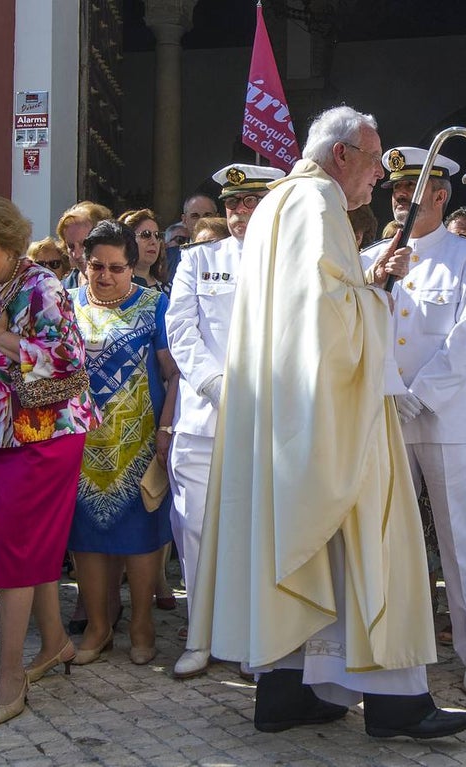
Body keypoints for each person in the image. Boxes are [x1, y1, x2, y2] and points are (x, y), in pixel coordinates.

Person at [190, 105, 466, 738]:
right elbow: (325, 319)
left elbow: (303, 306)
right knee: (372, 539)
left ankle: (289, 691)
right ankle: (397, 703)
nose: (378, 176)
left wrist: (365, 280)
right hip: (332, 411)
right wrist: (376, 298)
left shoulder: (276, 204)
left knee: (308, 547)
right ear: (342, 154)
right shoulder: (317, 202)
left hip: (287, 411)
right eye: (373, 162)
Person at [0, 194, 98, 725]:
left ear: (11, 247)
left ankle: (10, 672)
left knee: (14, 550)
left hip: (43, 435)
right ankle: (54, 642)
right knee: (24, 544)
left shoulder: (42, 286)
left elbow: (70, 358)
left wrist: (4, 339)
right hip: (1, 432)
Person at [362, 146, 466, 696]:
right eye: (396, 191)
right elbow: (358, 331)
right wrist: (376, 282)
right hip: (384, 413)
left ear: (439, 195)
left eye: (412, 191)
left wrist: (420, 393)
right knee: (387, 533)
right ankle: (393, 643)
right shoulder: (373, 257)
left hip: (445, 417)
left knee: (459, 535)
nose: (402, 199)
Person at [167, 162, 284, 679]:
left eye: (251, 201)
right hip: (204, 416)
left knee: (259, 532)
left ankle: (256, 637)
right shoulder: (198, 260)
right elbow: (181, 329)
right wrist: (214, 384)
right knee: (193, 529)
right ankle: (202, 633)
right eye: (233, 202)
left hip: (265, 418)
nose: (239, 212)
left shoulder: (290, 262)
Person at [69, 220, 178, 669]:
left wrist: (166, 429)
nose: (106, 276)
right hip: (79, 446)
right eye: (97, 266)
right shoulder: (67, 304)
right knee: (86, 540)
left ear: (132, 266)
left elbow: (173, 374)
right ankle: (98, 627)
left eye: (116, 267)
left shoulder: (155, 306)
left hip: (139, 446)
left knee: (142, 538)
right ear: (84, 263)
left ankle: (141, 625)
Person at [56, 201, 111, 290]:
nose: (76, 255)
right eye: (71, 246)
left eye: (83, 244)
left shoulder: (128, 288)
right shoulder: (61, 291)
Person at [166, 194, 219, 282]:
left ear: (217, 218)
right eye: (195, 216)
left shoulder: (230, 254)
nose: (201, 221)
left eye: (207, 215)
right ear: (184, 220)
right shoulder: (168, 258)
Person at [118, 209, 169, 293]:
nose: (154, 241)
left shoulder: (171, 289)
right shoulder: (113, 287)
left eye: (157, 235)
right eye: (146, 234)